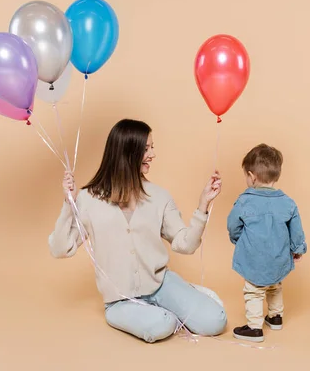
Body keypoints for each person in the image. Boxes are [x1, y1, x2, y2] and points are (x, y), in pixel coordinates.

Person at [48, 119, 227, 343]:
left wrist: (203, 206)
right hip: (120, 300)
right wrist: (68, 204)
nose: (153, 154)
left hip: (161, 283)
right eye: (146, 148)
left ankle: (182, 295)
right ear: (127, 152)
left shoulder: (159, 196)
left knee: (216, 320)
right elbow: (60, 249)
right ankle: (142, 312)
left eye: (152, 147)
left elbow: (185, 244)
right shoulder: (88, 199)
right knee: (163, 324)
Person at [226, 144, 307, 342]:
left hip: (254, 258)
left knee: (253, 291)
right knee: (275, 286)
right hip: (278, 258)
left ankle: (254, 328)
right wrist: (297, 250)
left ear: (252, 176)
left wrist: (238, 240)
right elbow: (296, 231)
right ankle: (275, 317)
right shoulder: (288, 202)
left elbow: (232, 225)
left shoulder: (244, 201)